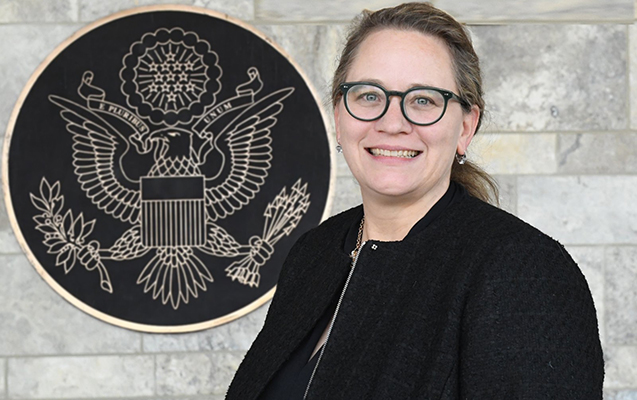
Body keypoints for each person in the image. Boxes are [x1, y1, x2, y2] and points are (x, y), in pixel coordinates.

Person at [226, 3, 604, 399]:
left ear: (465, 127)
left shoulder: (522, 271)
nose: (392, 123)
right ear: (339, 117)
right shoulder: (314, 254)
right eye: (369, 95)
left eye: (423, 100)